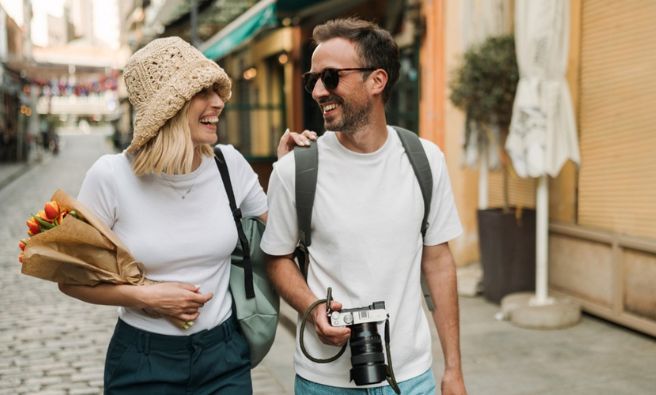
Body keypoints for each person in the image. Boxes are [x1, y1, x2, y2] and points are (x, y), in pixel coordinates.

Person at [58, 36, 314, 394]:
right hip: (143, 361)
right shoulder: (110, 177)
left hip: (224, 356)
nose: (218, 102)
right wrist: (147, 297)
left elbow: (285, 236)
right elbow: (71, 280)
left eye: (216, 91)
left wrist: (286, 172)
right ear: (169, 108)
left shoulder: (229, 164)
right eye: (202, 93)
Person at [261, 18, 468, 395]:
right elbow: (276, 258)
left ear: (377, 81)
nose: (318, 91)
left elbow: (438, 261)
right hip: (324, 382)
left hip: (411, 378)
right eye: (313, 81)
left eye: (331, 77)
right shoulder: (295, 169)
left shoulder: (426, 160)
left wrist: (453, 368)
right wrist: (311, 309)